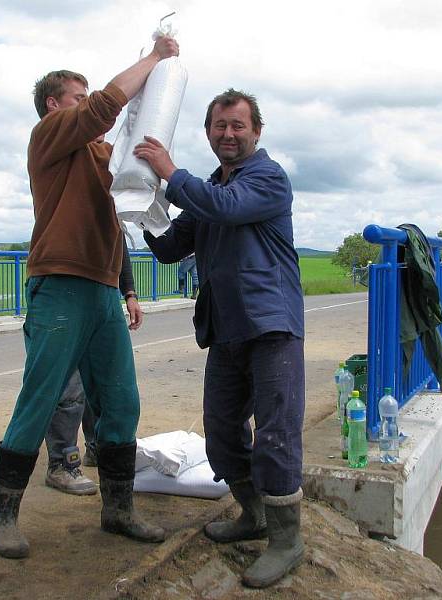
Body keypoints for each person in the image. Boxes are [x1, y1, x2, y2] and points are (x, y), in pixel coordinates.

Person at [0, 35, 179, 560]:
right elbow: (104, 107)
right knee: (41, 398)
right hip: (59, 285)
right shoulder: (49, 136)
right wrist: (158, 58)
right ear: (55, 104)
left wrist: (128, 288)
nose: (85, 100)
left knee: (121, 402)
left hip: (101, 292)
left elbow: (117, 225)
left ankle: (118, 510)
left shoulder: (104, 158)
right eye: (77, 95)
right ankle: (2, 518)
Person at [134, 89, 305, 589]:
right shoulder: (208, 188)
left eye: (237, 126)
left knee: (276, 432)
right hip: (226, 330)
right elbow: (169, 249)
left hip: (271, 324)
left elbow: (225, 208)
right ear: (208, 132)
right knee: (222, 429)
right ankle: (252, 513)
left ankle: (286, 540)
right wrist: (138, 207)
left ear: (256, 131)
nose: (227, 134)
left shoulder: (267, 179)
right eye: (218, 126)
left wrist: (169, 172)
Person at [43, 245, 143, 494]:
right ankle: (61, 464)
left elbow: (117, 244)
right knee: (69, 388)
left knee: (99, 384)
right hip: (64, 294)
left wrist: (130, 293)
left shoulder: (111, 210)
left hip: (100, 299)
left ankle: (97, 449)